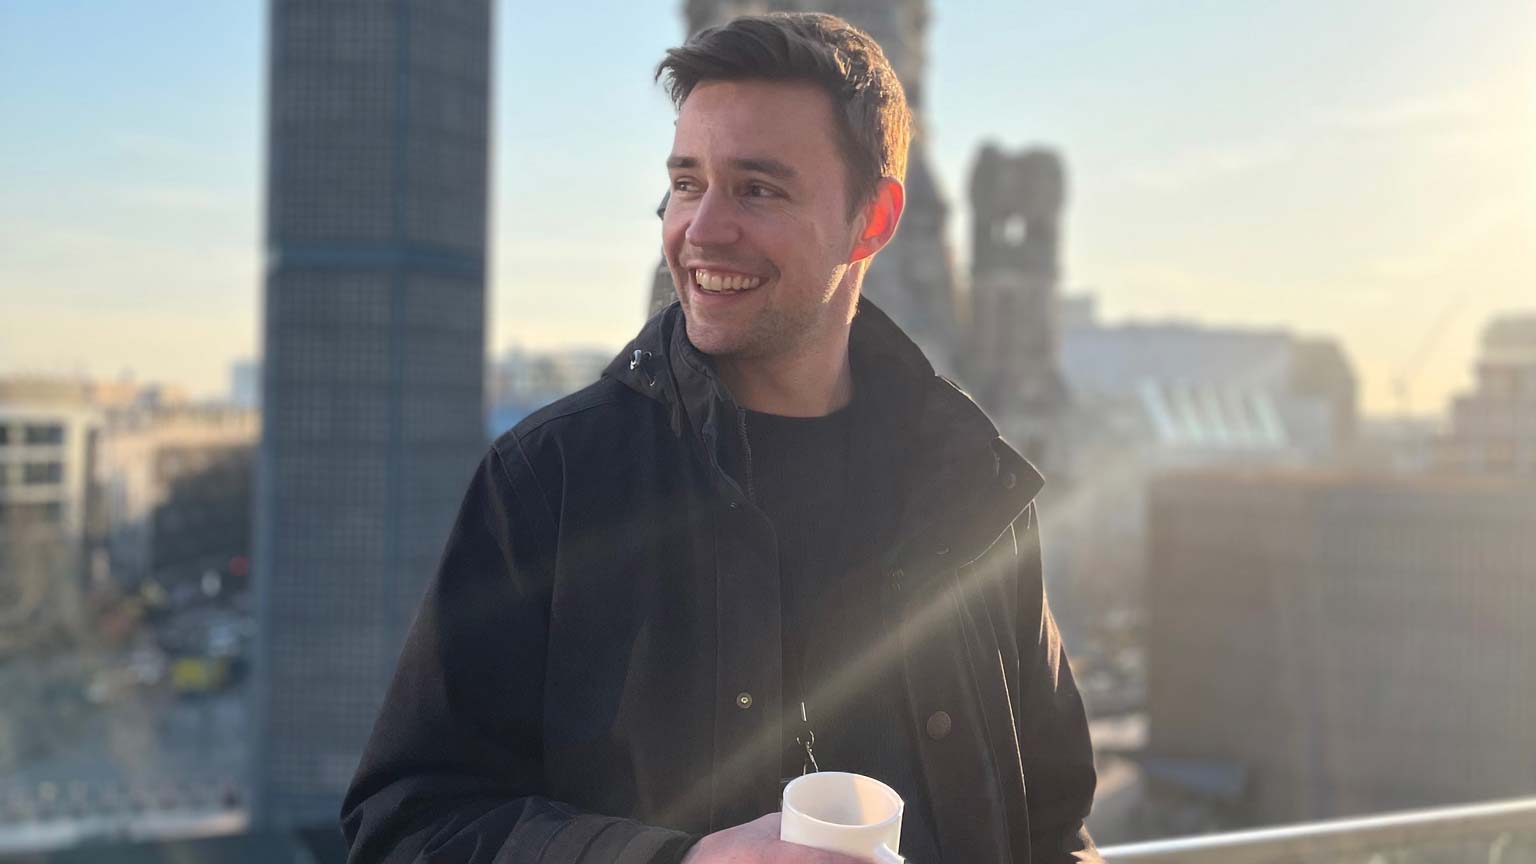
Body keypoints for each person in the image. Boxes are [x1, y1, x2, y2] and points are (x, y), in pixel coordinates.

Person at [341, 13, 1100, 864]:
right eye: (686, 183)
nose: (701, 230)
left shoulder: (972, 487)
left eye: (758, 189)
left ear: (873, 219)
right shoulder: (550, 482)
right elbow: (407, 827)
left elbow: (1052, 828)